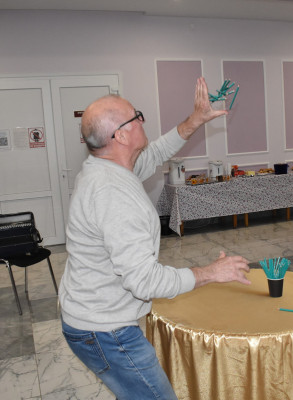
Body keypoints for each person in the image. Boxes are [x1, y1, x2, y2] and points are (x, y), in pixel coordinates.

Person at [58, 77, 251, 400]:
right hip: (105, 331)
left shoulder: (111, 168)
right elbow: (144, 281)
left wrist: (196, 119)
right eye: (136, 117)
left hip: (95, 320)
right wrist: (210, 273)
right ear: (120, 135)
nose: (142, 120)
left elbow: (158, 150)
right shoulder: (112, 193)